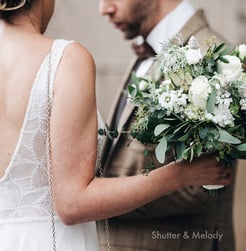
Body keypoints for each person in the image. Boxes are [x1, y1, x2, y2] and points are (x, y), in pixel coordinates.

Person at [0, 0, 232, 250]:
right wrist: (177, 175)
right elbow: (72, 202)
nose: (103, 8)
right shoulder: (63, 59)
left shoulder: (212, 53)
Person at [97, 0, 237, 250]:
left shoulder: (209, 55)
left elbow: (201, 187)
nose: (104, 8)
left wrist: (95, 199)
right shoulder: (150, 50)